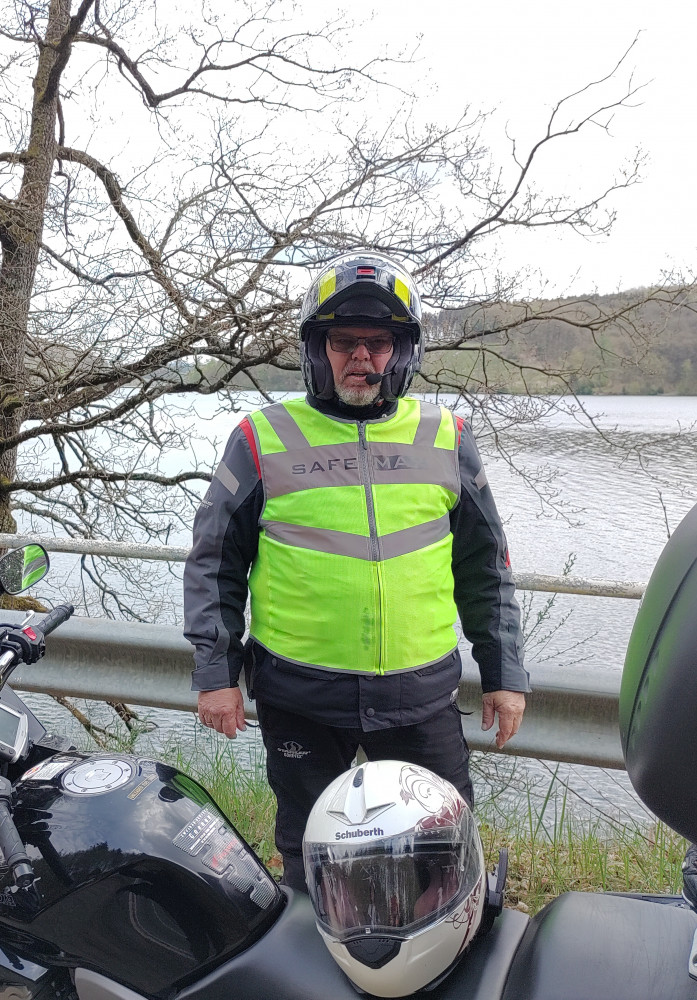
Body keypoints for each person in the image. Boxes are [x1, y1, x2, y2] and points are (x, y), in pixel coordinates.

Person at [182, 251, 529, 891]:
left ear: (404, 351)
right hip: (301, 698)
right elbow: (213, 563)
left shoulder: (447, 436)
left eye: (378, 343)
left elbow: (487, 566)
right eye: (343, 341)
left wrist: (504, 673)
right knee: (313, 862)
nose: (361, 357)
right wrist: (215, 675)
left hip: (421, 698)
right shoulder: (262, 437)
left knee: (442, 856)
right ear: (317, 349)